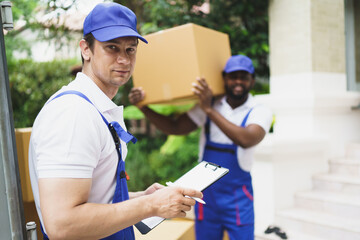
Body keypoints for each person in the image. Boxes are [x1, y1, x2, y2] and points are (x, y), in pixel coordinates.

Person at [28, 3, 202, 240]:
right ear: (85, 49)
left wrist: (144, 197)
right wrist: (151, 206)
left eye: (131, 49)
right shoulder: (74, 114)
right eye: (112, 47)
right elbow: (63, 224)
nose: (123, 59)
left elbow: (96, 199)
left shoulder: (94, 108)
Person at [129, 55, 273, 240]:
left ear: (252, 80)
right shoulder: (209, 104)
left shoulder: (259, 110)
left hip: (238, 198)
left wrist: (209, 110)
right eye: (233, 76)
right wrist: (143, 107)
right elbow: (176, 128)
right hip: (207, 197)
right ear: (224, 78)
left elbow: (247, 139)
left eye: (243, 77)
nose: (238, 81)